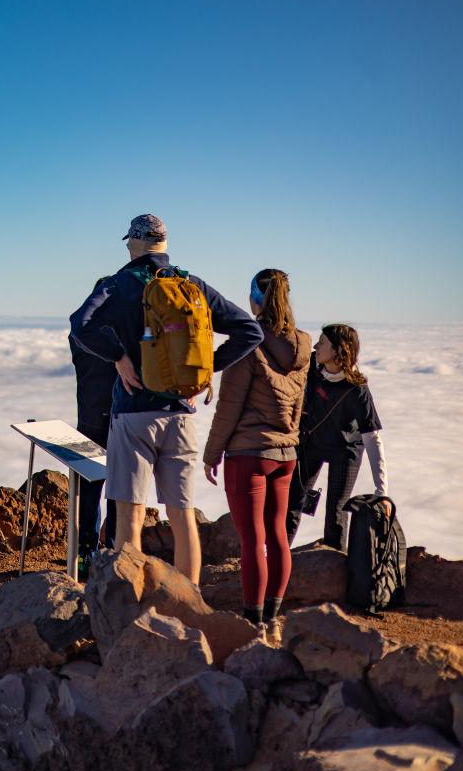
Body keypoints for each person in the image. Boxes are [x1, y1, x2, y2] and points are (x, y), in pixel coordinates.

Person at [70, 214, 262, 584]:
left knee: (129, 516)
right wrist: (205, 373)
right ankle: (187, 603)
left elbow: (81, 324)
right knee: (183, 516)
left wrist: (119, 356)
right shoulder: (191, 283)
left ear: (134, 243)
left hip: (133, 413)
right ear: (163, 243)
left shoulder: (120, 284)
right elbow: (249, 331)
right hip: (181, 416)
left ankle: (129, 606)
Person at [203, 269, 312, 629]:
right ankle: (272, 618)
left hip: (249, 456)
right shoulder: (303, 344)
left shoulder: (248, 341)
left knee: (252, 543)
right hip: (286, 454)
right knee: (278, 536)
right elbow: (297, 404)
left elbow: (229, 406)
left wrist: (210, 454)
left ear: (254, 299)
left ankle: (252, 623)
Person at [286, 324, 388, 550]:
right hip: (312, 441)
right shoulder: (313, 364)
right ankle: (277, 560)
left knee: (336, 514)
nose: (315, 346)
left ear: (337, 350)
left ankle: (334, 567)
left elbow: (372, 438)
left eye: (321, 343)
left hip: (345, 450)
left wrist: (382, 491)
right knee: (291, 503)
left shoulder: (356, 390)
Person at [69, 276, 118, 574]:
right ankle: (113, 557)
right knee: (118, 491)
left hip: (87, 419)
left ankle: (86, 559)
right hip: (120, 420)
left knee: (88, 496)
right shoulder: (121, 339)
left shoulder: (79, 337)